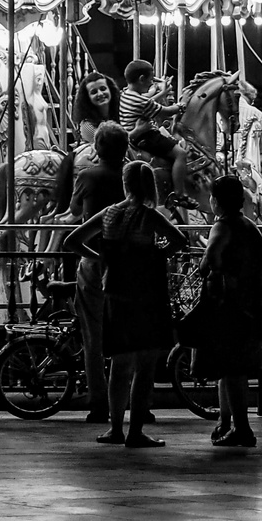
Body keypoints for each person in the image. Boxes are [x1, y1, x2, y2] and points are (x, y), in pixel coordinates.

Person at [64, 161, 186, 448]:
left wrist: (102, 259)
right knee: (144, 366)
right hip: (146, 296)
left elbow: (73, 240)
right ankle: (136, 431)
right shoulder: (149, 215)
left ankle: (115, 427)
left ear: (125, 183)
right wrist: (157, 256)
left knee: (119, 365)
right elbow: (179, 240)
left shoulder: (110, 214)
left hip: (115, 294)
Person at [194, 175, 262, 448]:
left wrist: (209, 267)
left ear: (215, 201)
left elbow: (211, 259)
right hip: (250, 302)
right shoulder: (251, 227)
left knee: (232, 369)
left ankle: (242, 428)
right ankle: (227, 422)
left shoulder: (222, 226)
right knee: (233, 368)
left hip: (228, 304)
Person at [69, 122, 128, 423]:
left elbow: (75, 210)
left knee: (92, 334)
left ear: (97, 148)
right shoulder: (132, 178)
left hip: (94, 259)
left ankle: (99, 402)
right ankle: (131, 401)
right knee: (128, 334)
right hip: (127, 263)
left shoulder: (87, 175)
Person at [117, 59, 179, 133]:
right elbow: (168, 111)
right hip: (143, 138)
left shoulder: (125, 94)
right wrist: (182, 104)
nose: (152, 83)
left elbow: (146, 102)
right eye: (151, 79)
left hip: (132, 137)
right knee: (171, 143)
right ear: (142, 79)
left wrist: (163, 93)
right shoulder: (143, 102)